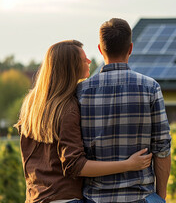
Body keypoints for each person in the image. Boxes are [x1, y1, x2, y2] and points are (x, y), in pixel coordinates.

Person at [15, 40, 153, 203]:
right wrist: (128, 164)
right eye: (83, 59)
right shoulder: (68, 107)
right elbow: (75, 165)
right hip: (65, 198)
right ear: (70, 67)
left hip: (35, 197)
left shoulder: (32, 104)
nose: (89, 61)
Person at [77, 18, 171, 203]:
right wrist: (160, 196)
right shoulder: (150, 88)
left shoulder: (80, 92)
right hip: (140, 196)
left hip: (94, 198)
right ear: (130, 48)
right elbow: (162, 149)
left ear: (100, 49)